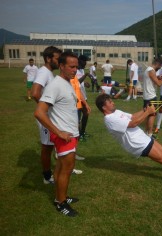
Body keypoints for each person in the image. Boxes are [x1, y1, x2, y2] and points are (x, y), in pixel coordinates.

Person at [95, 93, 162, 183]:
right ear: (104, 107)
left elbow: (132, 117)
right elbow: (133, 123)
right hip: (138, 144)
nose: (113, 102)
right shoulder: (109, 119)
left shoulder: (116, 112)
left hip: (142, 138)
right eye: (110, 102)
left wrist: (145, 110)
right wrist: (148, 112)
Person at [34, 51, 81, 217]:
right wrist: (58, 132)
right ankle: (60, 203)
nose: (75, 69)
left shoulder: (66, 82)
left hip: (70, 133)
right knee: (66, 169)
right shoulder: (55, 85)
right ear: (61, 66)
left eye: (77, 66)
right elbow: (39, 112)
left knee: (62, 167)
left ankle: (62, 197)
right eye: (72, 66)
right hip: (64, 135)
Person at [31, 46, 62, 184]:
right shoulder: (43, 72)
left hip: (49, 115)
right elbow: (35, 93)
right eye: (57, 59)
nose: (59, 61)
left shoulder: (48, 72)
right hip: (45, 117)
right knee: (47, 146)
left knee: (51, 144)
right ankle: (47, 176)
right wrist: (45, 111)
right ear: (48, 58)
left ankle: (55, 170)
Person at [142, 58, 162, 137]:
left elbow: (153, 79)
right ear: (157, 64)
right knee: (152, 115)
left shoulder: (148, 70)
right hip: (151, 97)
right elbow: (159, 84)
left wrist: (159, 77)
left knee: (147, 115)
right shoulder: (151, 70)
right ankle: (150, 134)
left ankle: (146, 133)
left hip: (146, 96)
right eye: (159, 67)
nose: (159, 68)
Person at [76, 55, 93, 141]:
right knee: (77, 118)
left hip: (84, 97)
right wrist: (86, 75)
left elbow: (80, 82)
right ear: (79, 61)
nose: (85, 64)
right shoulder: (74, 70)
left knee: (86, 114)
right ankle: (78, 135)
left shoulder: (81, 70)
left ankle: (82, 132)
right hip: (77, 97)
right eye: (84, 62)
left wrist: (85, 83)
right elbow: (77, 82)